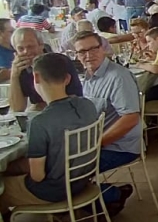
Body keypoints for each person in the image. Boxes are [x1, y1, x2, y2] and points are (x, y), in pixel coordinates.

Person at [0, 53, 99, 210]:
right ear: (67, 78)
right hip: (82, 179)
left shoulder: (40, 122)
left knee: (3, 185)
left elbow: (37, 177)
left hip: (53, 191)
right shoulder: (88, 105)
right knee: (13, 166)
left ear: (36, 78)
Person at [72, 31, 139, 215]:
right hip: (96, 143)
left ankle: (112, 195)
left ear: (102, 48)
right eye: (82, 51)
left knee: (65, 172)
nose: (88, 55)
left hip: (120, 148)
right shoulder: (86, 78)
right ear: (76, 55)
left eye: (93, 48)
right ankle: (95, 199)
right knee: (56, 166)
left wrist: (94, 145)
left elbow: (131, 118)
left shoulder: (118, 77)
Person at [9, 28, 82, 113]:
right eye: (21, 49)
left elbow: (75, 98)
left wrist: (39, 107)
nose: (26, 52)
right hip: (41, 116)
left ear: (41, 45)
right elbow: (17, 109)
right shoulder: (21, 69)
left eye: (30, 47)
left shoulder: (61, 62)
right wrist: (14, 75)